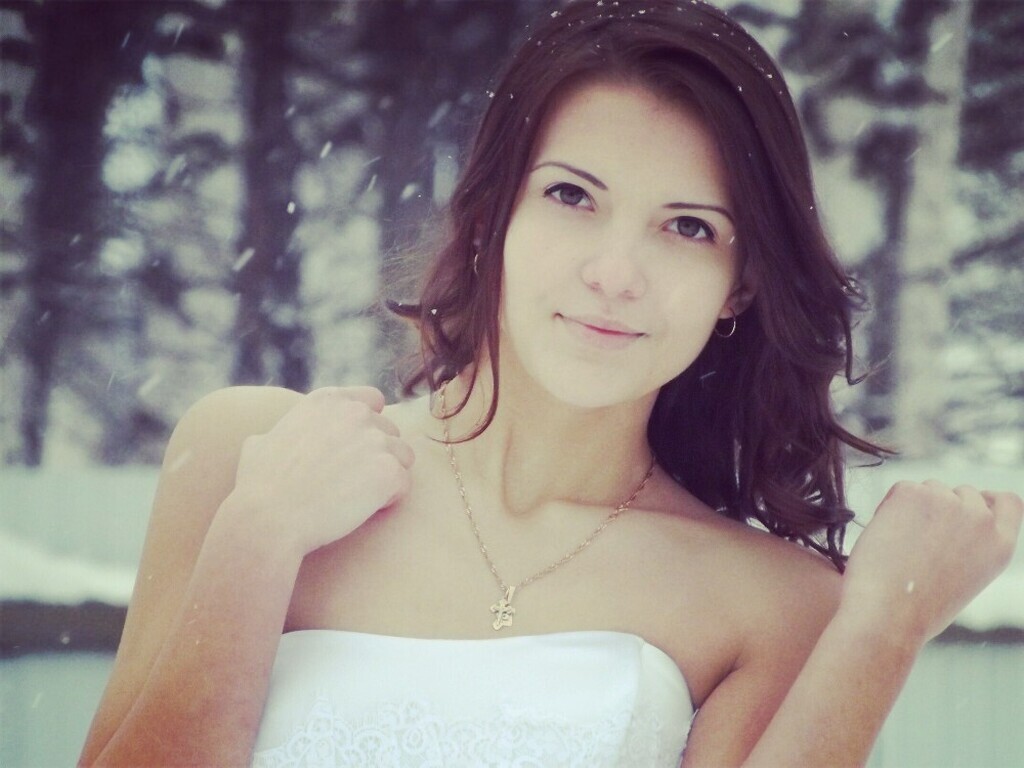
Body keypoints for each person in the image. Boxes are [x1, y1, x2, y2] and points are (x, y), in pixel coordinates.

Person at [80, 1, 1021, 766]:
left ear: (740, 284)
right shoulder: (254, 455)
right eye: (573, 196)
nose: (616, 272)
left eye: (687, 226)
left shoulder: (774, 606)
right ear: (494, 214)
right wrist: (258, 537)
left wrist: (882, 634)